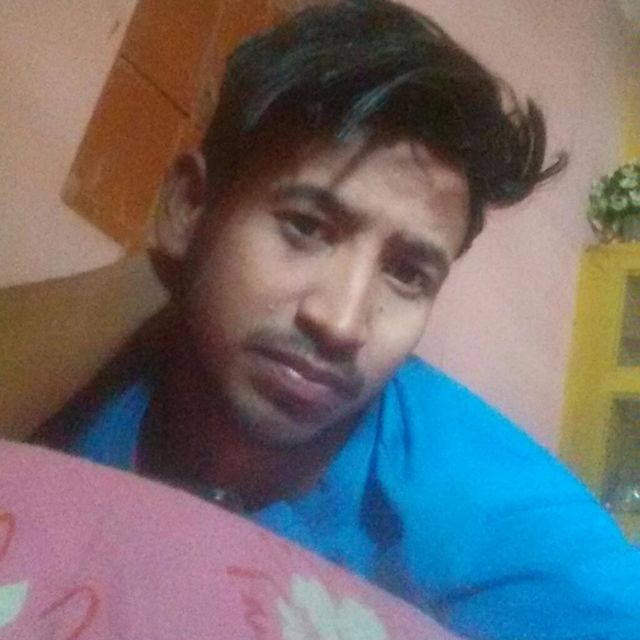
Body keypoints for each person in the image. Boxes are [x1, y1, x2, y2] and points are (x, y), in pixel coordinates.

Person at [3, 1, 640, 638]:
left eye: (407, 273)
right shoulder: (87, 371)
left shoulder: (496, 520)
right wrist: (168, 262)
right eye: (306, 227)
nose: (342, 322)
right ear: (190, 205)